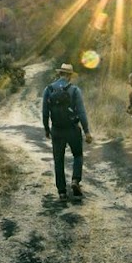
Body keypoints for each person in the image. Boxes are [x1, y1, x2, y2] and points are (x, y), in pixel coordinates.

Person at [42, 63, 93, 202]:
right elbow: (81, 112)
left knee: (58, 160)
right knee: (77, 155)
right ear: (70, 76)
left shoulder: (49, 89)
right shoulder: (75, 90)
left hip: (57, 130)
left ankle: (62, 192)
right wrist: (87, 131)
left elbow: (45, 112)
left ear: (59, 74)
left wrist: (47, 129)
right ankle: (75, 181)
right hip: (72, 129)